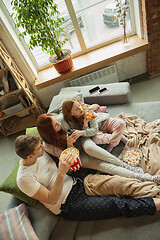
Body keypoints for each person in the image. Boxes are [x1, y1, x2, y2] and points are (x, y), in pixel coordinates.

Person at [15, 134, 160, 221]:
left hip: (78, 182)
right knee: (115, 204)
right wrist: (60, 173)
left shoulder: (41, 152)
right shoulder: (24, 179)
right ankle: (157, 204)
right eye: (39, 148)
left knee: (120, 183)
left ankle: (153, 187)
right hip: (69, 204)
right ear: (29, 156)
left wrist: (69, 147)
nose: (43, 148)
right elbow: (51, 198)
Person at [36, 113, 160, 183]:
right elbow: (71, 161)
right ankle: (146, 178)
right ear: (49, 131)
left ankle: (123, 164)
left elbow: (78, 113)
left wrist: (80, 131)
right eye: (55, 125)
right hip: (77, 155)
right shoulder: (49, 146)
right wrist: (69, 145)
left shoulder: (60, 119)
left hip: (82, 139)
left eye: (56, 121)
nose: (58, 123)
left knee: (90, 148)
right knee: (103, 166)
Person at [62, 97, 127, 153]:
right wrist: (85, 124)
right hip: (97, 132)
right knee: (96, 139)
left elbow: (94, 129)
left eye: (79, 105)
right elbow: (89, 134)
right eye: (76, 109)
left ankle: (112, 144)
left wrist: (82, 132)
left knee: (121, 123)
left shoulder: (88, 112)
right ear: (71, 113)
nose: (80, 108)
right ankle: (117, 137)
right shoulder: (72, 123)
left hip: (104, 122)